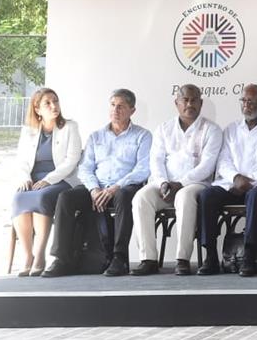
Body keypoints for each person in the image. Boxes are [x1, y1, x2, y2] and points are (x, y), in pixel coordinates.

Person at [42, 89, 151, 277]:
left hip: (123, 187)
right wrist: (93, 189)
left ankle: (119, 258)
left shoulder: (143, 136)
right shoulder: (96, 136)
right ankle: (62, 258)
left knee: (125, 196)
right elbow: (85, 168)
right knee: (66, 198)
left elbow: (143, 169)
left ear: (132, 110)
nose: (115, 110)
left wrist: (115, 188)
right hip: (97, 187)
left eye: (121, 106)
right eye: (112, 105)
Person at [131, 84, 222, 276]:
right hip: (164, 184)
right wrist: (164, 182)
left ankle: (182, 259)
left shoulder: (211, 129)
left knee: (184, 197)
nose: (190, 104)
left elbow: (207, 165)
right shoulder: (164, 128)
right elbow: (155, 160)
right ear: (177, 103)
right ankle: (148, 259)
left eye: (194, 100)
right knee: (141, 198)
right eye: (185, 100)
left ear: (201, 102)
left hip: (195, 184)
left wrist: (180, 184)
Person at [196, 84, 257, 276]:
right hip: (231, 185)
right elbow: (223, 159)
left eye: (251, 101)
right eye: (243, 100)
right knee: (207, 196)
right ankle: (210, 256)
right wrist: (235, 178)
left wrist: (250, 181)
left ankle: (249, 255)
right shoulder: (231, 129)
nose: (246, 105)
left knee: (256, 196)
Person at [10, 88, 82, 276]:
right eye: (47, 103)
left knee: (42, 197)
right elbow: (22, 160)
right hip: (34, 179)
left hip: (61, 179)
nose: (53, 106)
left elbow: (71, 160)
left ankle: (40, 254)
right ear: (37, 109)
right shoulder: (29, 131)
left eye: (55, 101)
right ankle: (27, 256)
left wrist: (48, 180)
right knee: (18, 199)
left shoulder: (70, 127)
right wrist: (25, 177)